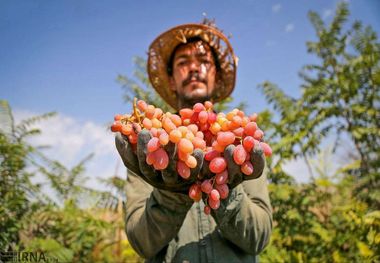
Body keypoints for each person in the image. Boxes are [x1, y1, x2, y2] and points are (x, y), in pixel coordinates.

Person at [115, 21, 272, 263]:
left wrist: (226, 193)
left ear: (216, 76)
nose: (194, 68)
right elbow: (142, 243)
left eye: (204, 61)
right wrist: (172, 195)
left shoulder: (241, 146)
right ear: (170, 80)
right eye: (183, 62)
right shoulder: (151, 147)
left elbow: (259, 238)